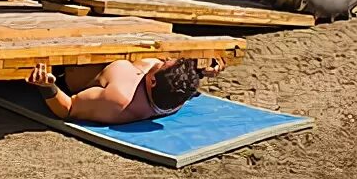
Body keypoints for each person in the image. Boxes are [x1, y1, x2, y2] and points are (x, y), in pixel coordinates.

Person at [26, 56, 226, 124]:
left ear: (153, 81)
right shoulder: (178, 96)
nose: (163, 61)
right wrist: (200, 72)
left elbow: (67, 108)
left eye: (163, 64)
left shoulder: (119, 100)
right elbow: (183, 82)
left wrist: (47, 86)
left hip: (67, 70)